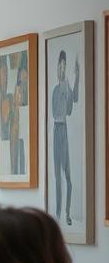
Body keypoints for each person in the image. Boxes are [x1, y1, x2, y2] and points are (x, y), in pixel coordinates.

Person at [50, 49, 80, 226]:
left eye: (64, 67)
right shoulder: (55, 90)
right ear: (57, 69)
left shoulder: (67, 88)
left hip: (64, 131)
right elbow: (56, 112)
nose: (62, 70)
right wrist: (64, 91)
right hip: (56, 129)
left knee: (67, 175)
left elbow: (71, 107)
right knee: (57, 177)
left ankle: (67, 213)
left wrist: (77, 77)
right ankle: (58, 214)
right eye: (60, 67)